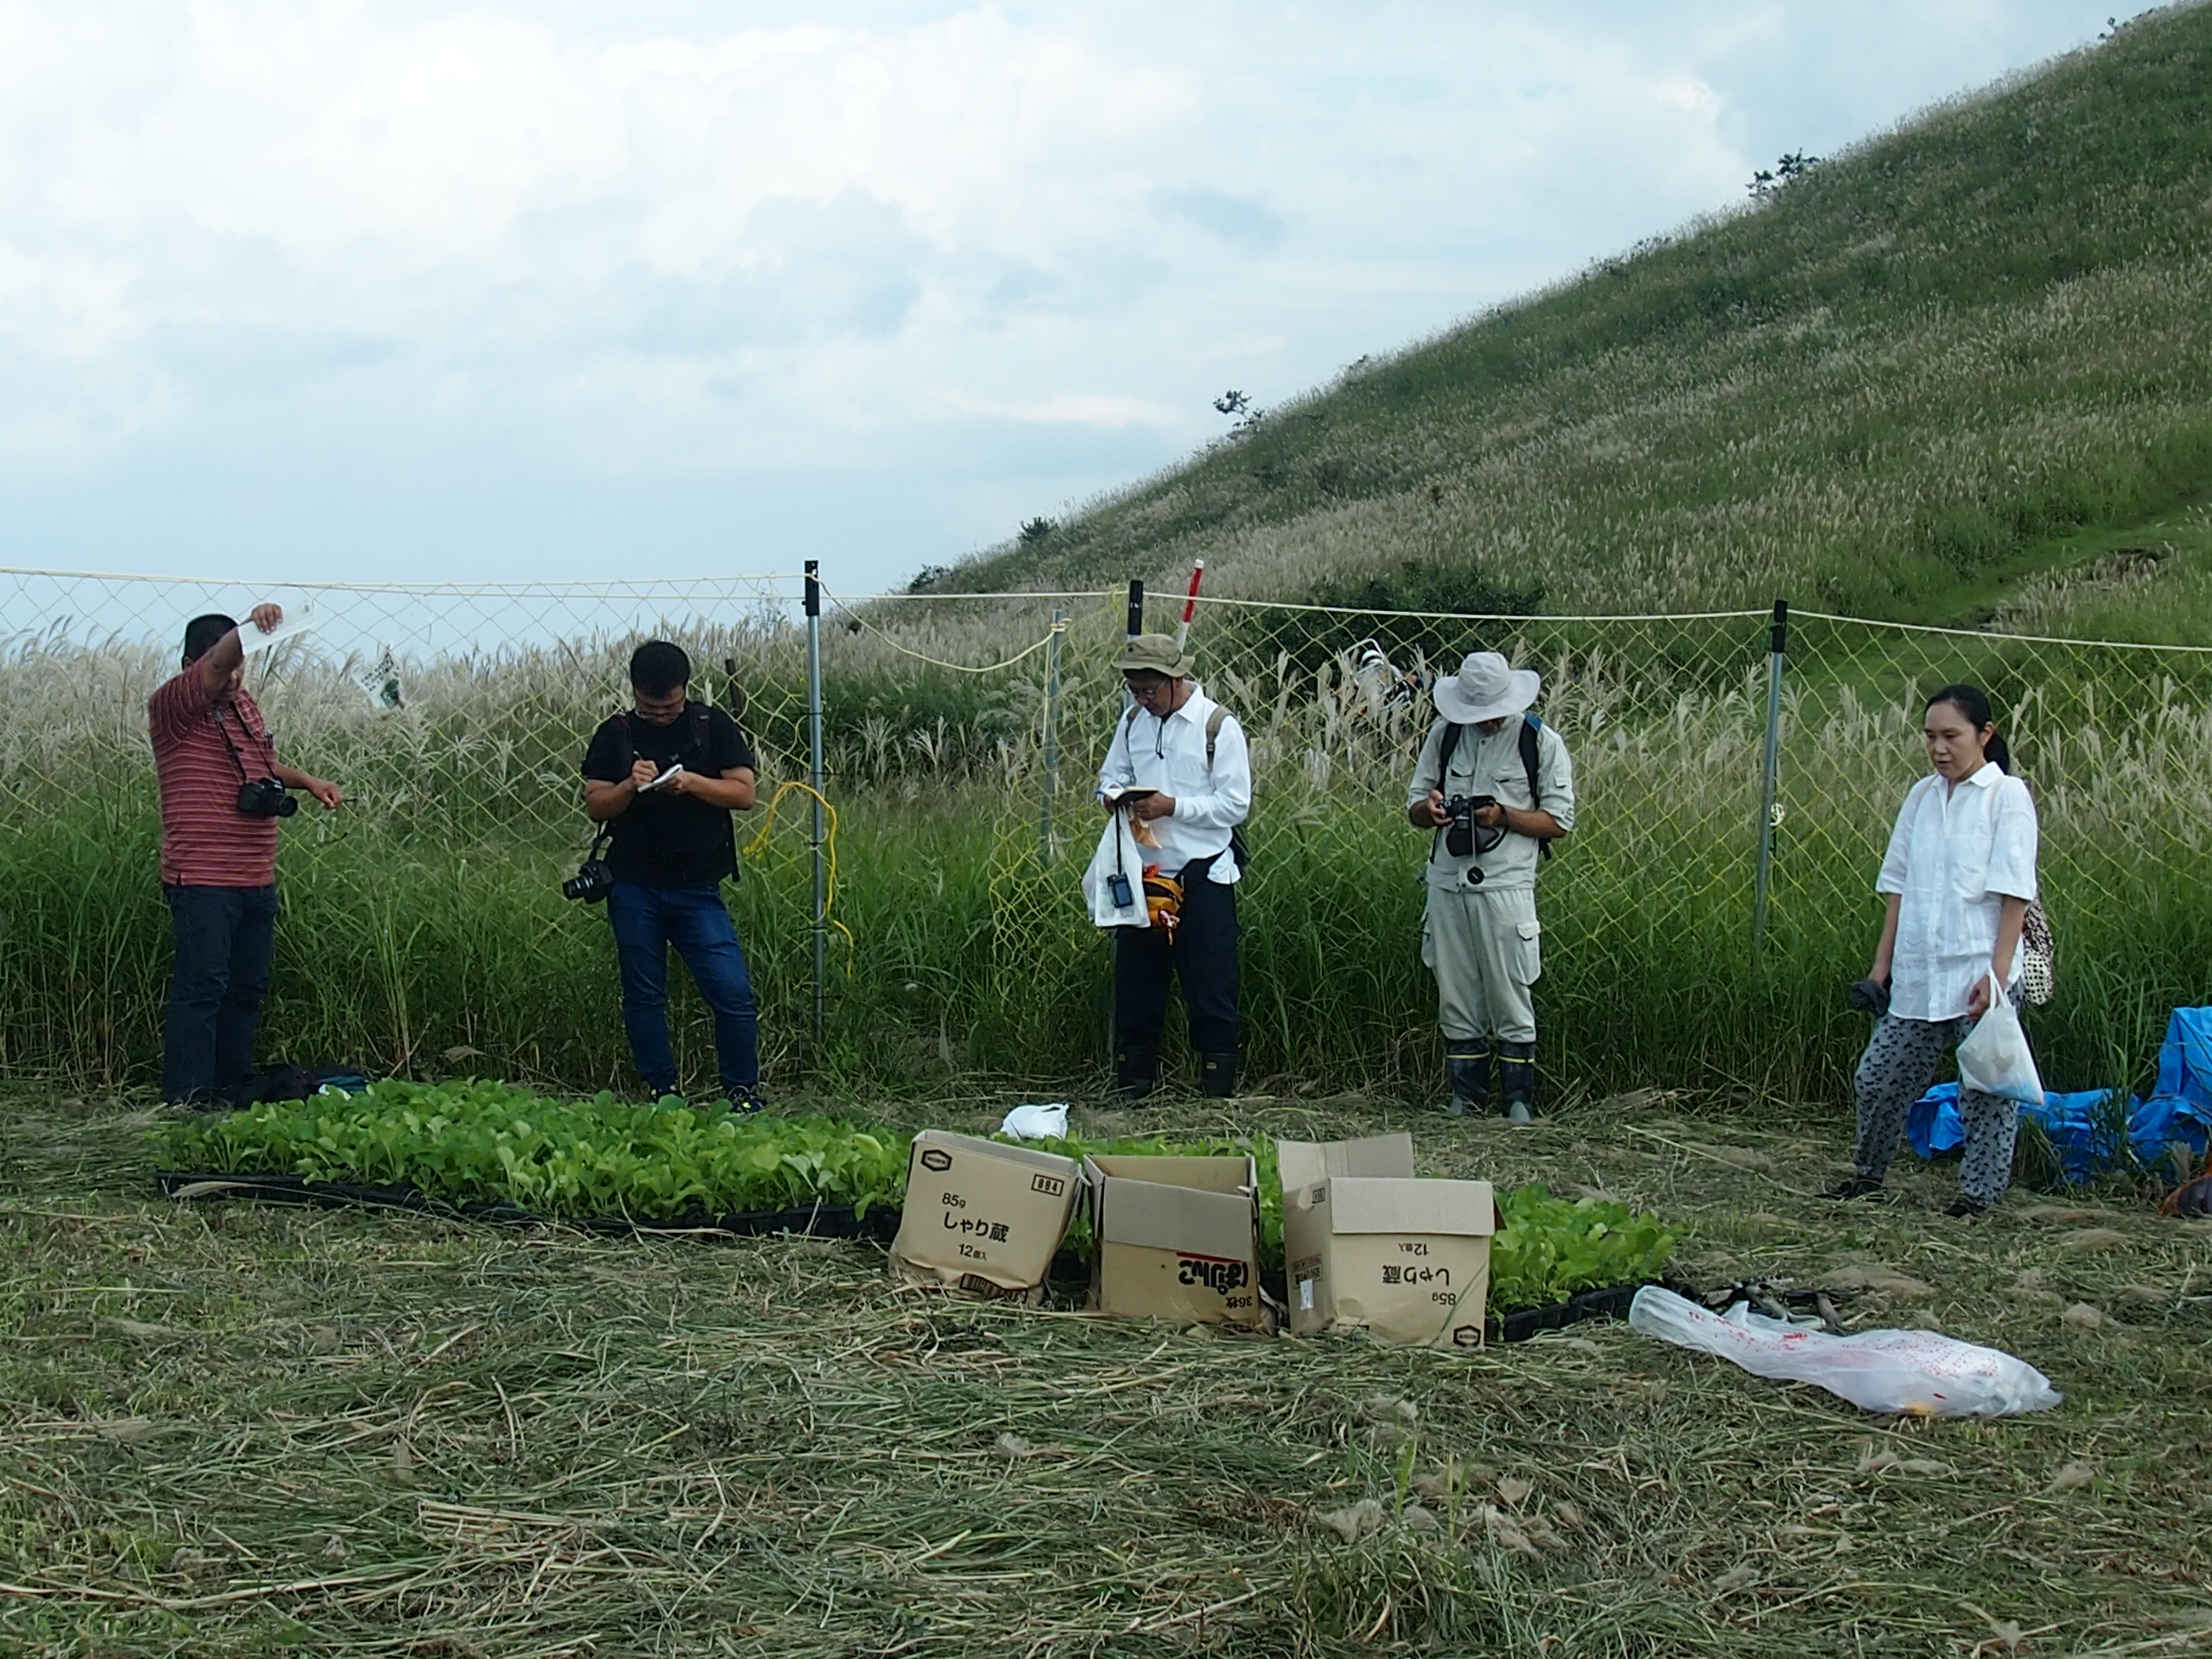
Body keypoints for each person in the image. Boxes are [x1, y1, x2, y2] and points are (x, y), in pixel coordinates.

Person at [1822, 684, 2039, 1217]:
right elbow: (1898, 886)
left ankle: (1979, 1197)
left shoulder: (2005, 796)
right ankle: (1868, 1173)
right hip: (1919, 971)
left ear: (1984, 735)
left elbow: (2015, 894)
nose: (1940, 749)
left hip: (1978, 969)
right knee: (1878, 1078)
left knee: (1984, 1089)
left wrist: (1998, 974)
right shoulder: (1921, 797)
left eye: (1952, 736)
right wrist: (1882, 968)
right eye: (1930, 737)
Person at [149, 606, 343, 1106]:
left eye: (242, 667)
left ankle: (231, 1088)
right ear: (191, 662)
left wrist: (308, 781)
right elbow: (216, 667)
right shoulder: (174, 706)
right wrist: (250, 630)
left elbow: (260, 763)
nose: (234, 677)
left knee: (247, 988)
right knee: (204, 989)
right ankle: (188, 1098)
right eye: (227, 666)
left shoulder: (244, 706)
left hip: (255, 875)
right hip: (203, 877)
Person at [582, 641, 763, 1106]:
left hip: (699, 886)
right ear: (635, 693)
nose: (660, 715)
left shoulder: (710, 725)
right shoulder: (616, 733)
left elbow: (744, 794)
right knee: (644, 995)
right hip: (633, 885)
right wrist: (630, 785)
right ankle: (662, 1092)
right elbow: (596, 803)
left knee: (733, 992)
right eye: (650, 707)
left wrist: (690, 782)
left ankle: (742, 1092)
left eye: (668, 707)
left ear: (685, 690)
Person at [1406, 651, 1575, 1122]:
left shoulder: (1538, 741)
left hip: (1506, 887)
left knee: (1509, 993)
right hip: (1447, 883)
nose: (1484, 722)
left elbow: (1559, 821)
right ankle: (1466, 1098)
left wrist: (1503, 816)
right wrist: (1433, 811)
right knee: (1455, 993)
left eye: (1491, 713)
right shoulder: (1444, 736)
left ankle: (1518, 1101)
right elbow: (1415, 806)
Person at [1096, 633, 1252, 1101]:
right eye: (1135, 691)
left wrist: (1173, 807)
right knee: (1137, 983)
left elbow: (1235, 804)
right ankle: (1133, 1088)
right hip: (1145, 873)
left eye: (1150, 691)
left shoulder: (1218, 726)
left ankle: (1215, 1093)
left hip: (1205, 870)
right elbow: (1110, 776)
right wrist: (1111, 797)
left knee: (1211, 983)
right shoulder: (1131, 724)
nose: (1143, 701)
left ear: (1176, 678)